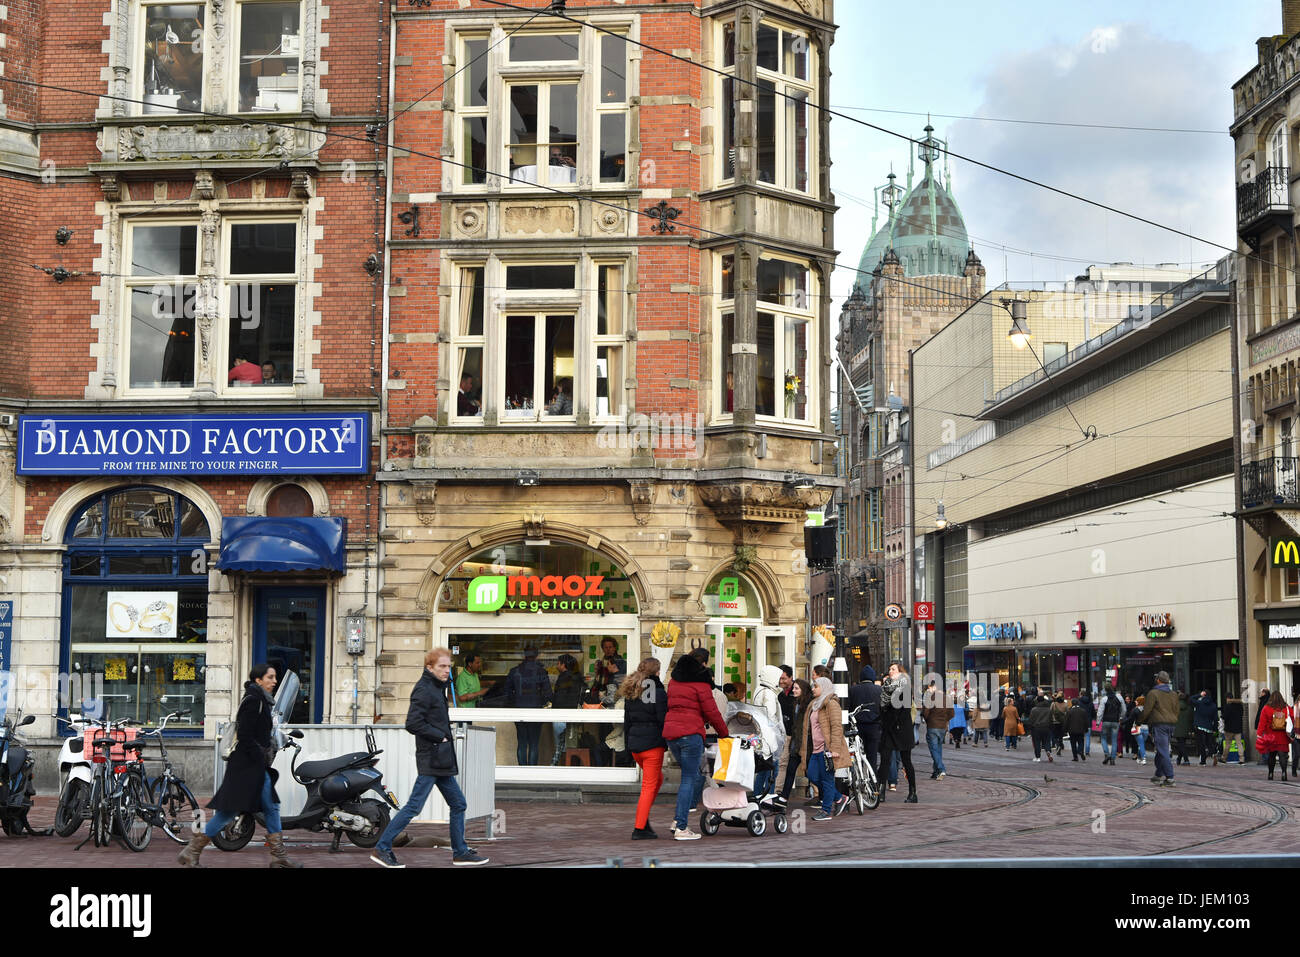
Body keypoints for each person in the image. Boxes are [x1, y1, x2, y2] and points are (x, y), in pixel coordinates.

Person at [370, 648, 488, 867]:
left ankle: (460, 852)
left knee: (459, 804)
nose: (446, 670)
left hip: (440, 759)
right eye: (442, 666)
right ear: (429, 667)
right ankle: (382, 848)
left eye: (448, 665)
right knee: (414, 807)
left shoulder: (436, 688)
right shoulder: (424, 689)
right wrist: (440, 737)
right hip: (432, 758)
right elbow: (412, 723)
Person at [180, 663, 299, 868]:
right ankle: (191, 851)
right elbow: (244, 736)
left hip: (254, 767)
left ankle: (279, 857)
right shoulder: (253, 701)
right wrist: (260, 756)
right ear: (258, 680)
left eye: (275, 677)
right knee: (230, 811)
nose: (274, 681)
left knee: (270, 807)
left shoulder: (262, 701)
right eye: (270, 677)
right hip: (246, 767)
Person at [662, 647, 729, 840]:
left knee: (688, 778)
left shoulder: (674, 681)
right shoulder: (701, 684)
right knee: (689, 779)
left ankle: (678, 820)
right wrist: (724, 733)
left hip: (672, 734)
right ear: (704, 664)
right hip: (691, 733)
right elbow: (712, 712)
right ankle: (681, 827)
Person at [622, 658, 668, 840]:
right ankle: (639, 828)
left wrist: (628, 745)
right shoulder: (658, 692)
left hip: (636, 746)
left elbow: (627, 722)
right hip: (652, 745)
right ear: (656, 672)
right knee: (649, 787)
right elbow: (662, 719)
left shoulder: (632, 691)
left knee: (657, 780)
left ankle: (644, 817)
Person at [800, 677, 850, 820]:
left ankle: (826, 810)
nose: (813, 689)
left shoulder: (831, 704)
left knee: (827, 780)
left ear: (824, 687)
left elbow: (836, 727)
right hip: (816, 749)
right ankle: (839, 798)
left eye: (816, 686)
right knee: (812, 776)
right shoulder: (814, 704)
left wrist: (834, 748)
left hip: (826, 750)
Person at [505, 647, 552, 766]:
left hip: (519, 710)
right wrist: (541, 701)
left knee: (521, 742)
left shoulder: (514, 671)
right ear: (536, 656)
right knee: (534, 743)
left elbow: (507, 693)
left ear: (524, 655)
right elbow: (548, 694)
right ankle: (531, 772)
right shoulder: (541, 671)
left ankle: (522, 770)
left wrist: (514, 704)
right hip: (536, 710)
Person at [879, 661, 918, 804]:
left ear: (900, 672)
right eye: (889, 669)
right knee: (884, 761)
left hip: (901, 730)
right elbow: (882, 708)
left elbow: (905, 710)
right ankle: (880, 792)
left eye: (893, 669)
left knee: (906, 762)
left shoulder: (905, 688)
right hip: (888, 730)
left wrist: (892, 720)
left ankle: (913, 792)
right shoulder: (885, 688)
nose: (890, 671)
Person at [773, 677, 813, 811]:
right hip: (796, 744)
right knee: (790, 770)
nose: (794, 691)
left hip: (807, 745)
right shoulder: (796, 704)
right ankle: (783, 798)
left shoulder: (809, 705)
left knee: (811, 774)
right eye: (794, 688)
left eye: (796, 688)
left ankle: (834, 797)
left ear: (803, 690)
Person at [751, 664, 784, 796]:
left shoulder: (758, 690)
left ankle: (757, 794)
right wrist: (779, 732)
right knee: (772, 769)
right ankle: (768, 797)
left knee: (763, 768)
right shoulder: (769, 694)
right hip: (768, 737)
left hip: (758, 735)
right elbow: (771, 716)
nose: (779, 681)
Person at [549, 653, 586, 766]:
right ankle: (569, 768)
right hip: (573, 715)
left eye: (558, 663)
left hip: (561, 715)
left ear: (563, 665)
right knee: (570, 744)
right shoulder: (577, 677)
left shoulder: (564, 677)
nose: (556, 666)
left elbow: (559, 697)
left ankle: (562, 768)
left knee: (561, 745)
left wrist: (552, 703)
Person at [1144, 671, 1179, 786]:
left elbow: (1147, 710)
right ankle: (1158, 775)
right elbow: (1176, 710)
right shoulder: (1174, 694)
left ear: (1158, 680)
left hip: (1159, 724)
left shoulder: (1153, 693)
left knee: (1163, 751)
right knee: (1161, 750)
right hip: (1171, 724)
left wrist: (1139, 721)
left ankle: (1170, 777)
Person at [847, 665, 882, 776]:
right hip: (874, 727)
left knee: (858, 754)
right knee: (872, 756)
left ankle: (860, 776)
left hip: (858, 727)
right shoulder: (879, 690)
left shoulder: (853, 690)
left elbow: (848, 708)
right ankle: (872, 779)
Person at [1256, 690, 1292, 781]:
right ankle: (1284, 774)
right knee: (1282, 756)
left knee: (1271, 756)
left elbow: (1262, 722)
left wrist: (1259, 734)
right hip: (1283, 736)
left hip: (1270, 736)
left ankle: (1270, 774)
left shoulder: (1266, 708)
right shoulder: (1286, 708)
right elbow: (1292, 719)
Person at [921, 681, 953, 779]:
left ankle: (941, 769)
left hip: (932, 726)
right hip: (942, 727)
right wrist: (945, 720)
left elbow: (926, 712)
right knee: (938, 749)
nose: (929, 689)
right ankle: (936, 772)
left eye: (930, 687)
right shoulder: (947, 698)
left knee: (934, 749)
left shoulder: (931, 697)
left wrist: (927, 719)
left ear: (934, 687)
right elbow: (952, 713)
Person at [1192, 690, 1220, 766]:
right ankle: (1214, 753)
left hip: (1199, 726)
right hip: (1209, 727)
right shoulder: (1213, 705)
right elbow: (1215, 718)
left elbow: (1191, 699)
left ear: (1204, 695)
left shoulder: (1199, 703)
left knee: (1201, 744)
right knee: (1209, 743)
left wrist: (1199, 695)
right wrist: (1215, 729)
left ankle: (1203, 761)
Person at [1098, 685, 1124, 765]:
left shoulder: (1104, 699)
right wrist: (1121, 717)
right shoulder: (1119, 698)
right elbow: (1124, 709)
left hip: (1106, 721)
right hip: (1115, 721)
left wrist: (1098, 722)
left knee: (1103, 738)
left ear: (1105, 690)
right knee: (1114, 740)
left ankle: (1107, 754)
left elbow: (1100, 711)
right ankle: (1112, 759)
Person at [1027, 695, 1054, 763]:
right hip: (1046, 727)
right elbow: (1051, 720)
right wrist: (1051, 727)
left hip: (1036, 728)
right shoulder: (1048, 709)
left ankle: (1038, 757)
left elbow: (1031, 720)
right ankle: (1048, 751)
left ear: (1037, 701)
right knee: (1047, 741)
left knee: (1037, 743)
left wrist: (1030, 728)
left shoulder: (1034, 709)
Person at [1066, 696, 1090, 761]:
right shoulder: (1083, 711)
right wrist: (1086, 728)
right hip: (1081, 730)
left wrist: (1065, 729)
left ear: (1072, 703)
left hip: (1072, 730)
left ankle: (1075, 757)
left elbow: (1067, 721)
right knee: (1081, 742)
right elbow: (1086, 721)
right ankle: (1080, 751)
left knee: (1073, 744)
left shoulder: (1069, 711)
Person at [1173, 691, 1194, 767]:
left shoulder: (1175, 707)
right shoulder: (1189, 708)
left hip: (1177, 728)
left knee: (1181, 745)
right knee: (1182, 744)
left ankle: (1186, 760)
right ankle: (1179, 759)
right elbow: (1191, 719)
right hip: (1186, 729)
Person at [1127, 696, 1149, 766]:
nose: (1135, 702)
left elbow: (1130, 719)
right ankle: (1139, 758)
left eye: (1137, 700)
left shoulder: (1135, 710)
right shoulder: (1147, 710)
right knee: (1142, 744)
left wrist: (1122, 722)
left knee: (1140, 744)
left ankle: (1143, 758)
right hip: (1146, 728)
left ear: (1139, 702)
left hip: (1138, 728)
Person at [776, 665, 796, 736]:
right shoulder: (779, 692)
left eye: (784, 679)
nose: (781, 681)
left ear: (791, 677)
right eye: (779, 678)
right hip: (784, 732)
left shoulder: (798, 690)